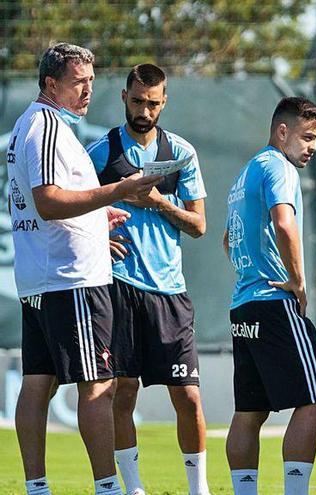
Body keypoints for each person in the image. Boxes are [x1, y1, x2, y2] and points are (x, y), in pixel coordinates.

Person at [10, 43, 161, 495]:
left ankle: (36, 487)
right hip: (70, 280)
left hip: (43, 276)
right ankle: (107, 488)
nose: (87, 90)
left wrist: (98, 218)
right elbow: (49, 200)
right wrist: (118, 192)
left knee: (38, 383)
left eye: (92, 81)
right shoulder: (46, 125)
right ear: (51, 84)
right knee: (99, 386)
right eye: (78, 82)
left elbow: (53, 204)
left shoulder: (32, 126)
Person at [86, 63, 210, 495]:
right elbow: (75, 211)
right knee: (123, 392)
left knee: (189, 395)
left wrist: (156, 200)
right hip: (117, 286)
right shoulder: (101, 153)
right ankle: (133, 488)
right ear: (124, 97)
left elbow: (198, 225)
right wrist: (98, 235)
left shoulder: (181, 154)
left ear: (164, 102)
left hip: (169, 292)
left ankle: (199, 488)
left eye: (152, 103)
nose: (144, 110)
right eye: (137, 101)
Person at [222, 96, 316, 495]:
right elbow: (284, 224)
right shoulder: (278, 167)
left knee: (250, 411)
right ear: (282, 132)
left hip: (243, 305)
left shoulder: (245, 174)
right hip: (273, 302)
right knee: (315, 400)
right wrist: (298, 281)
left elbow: (227, 239)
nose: (312, 148)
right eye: (307, 137)